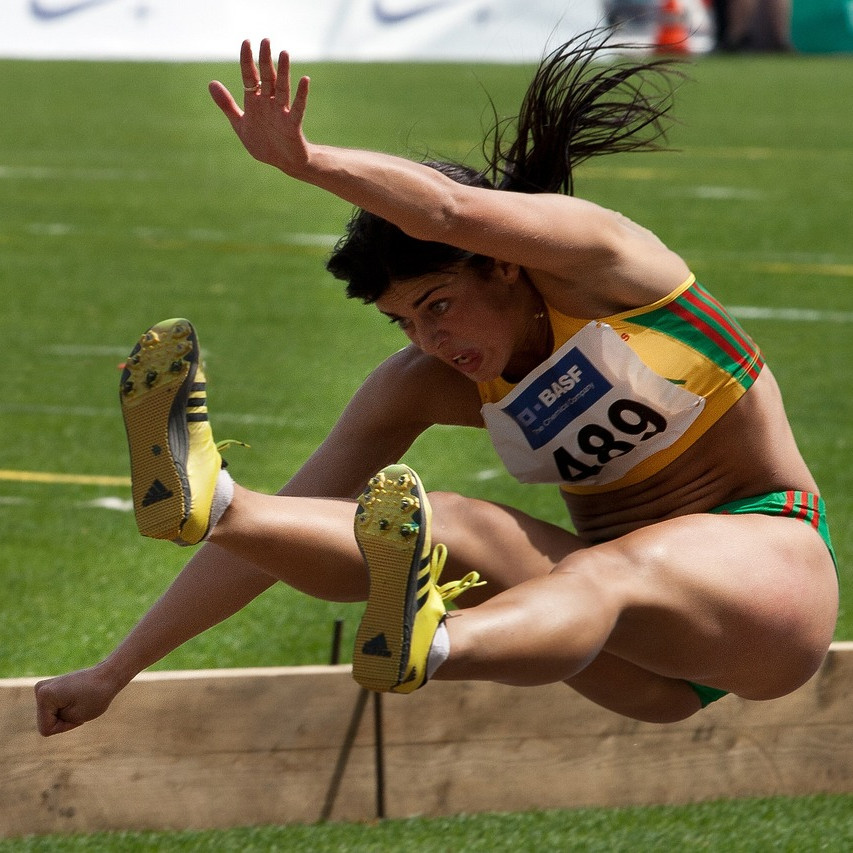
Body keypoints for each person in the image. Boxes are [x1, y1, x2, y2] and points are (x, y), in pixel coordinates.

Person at [35, 31, 837, 736]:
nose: (430, 340)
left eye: (439, 305)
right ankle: (218, 500)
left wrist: (311, 164)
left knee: (600, 568)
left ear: (505, 263)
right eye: (404, 321)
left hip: (770, 588)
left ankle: (437, 642)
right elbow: (285, 536)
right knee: (442, 522)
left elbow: (449, 211)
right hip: (626, 657)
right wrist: (115, 669)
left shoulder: (609, 267)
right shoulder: (422, 384)